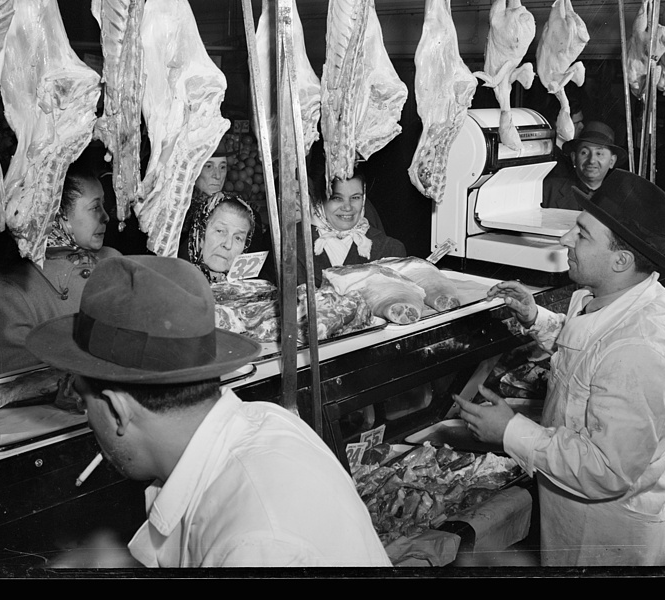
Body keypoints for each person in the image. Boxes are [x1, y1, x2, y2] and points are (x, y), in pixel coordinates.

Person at [25, 255, 392, 568]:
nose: (87, 418)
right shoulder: (264, 418)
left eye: (81, 398)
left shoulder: (256, 546)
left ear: (118, 410)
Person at [454, 169, 665, 567]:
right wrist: (535, 318)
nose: (566, 239)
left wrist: (511, 430)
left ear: (621, 259)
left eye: (581, 234)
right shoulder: (613, 296)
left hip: (611, 538)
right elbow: (590, 350)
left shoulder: (640, 347)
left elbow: (607, 469)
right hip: (574, 515)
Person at [0, 162, 122, 376]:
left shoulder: (113, 262)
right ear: (58, 214)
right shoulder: (8, 296)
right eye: (94, 207)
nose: (106, 216)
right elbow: (20, 388)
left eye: (103, 205)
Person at [297, 154, 406, 287]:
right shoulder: (292, 246)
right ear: (320, 202)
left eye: (355, 198)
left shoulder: (390, 250)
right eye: (337, 198)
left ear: (364, 199)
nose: (347, 207)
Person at [541, 121, 626, 210]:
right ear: (574, 158)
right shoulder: (549, 190)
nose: (592, 160)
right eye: (584, 153)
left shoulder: (621, 202)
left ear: (612, 161)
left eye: (599, 153)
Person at [179, 191, 256, 283]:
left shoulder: (245, 291)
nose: (228, 245)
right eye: (220, 231)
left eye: (238, 238)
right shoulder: (173, 279)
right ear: (200, 233)